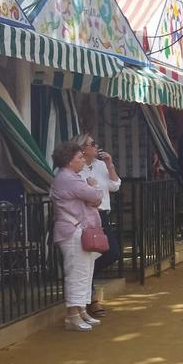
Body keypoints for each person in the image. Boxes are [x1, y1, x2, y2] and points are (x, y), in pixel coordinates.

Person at [49, 141, 104, 333]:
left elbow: (94, 199)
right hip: (72, 231)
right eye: (79, 157)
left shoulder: (70, 177)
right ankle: (72, 314)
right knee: (77, 273)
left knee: (85, 272)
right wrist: (95, 186)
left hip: (79, 230)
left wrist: (93, 194)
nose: (82, 160)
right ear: (69, 161)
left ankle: (80, 310)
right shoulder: (69, 178)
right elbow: (94, 196)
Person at [75, 132, 121, 320]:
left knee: (112, 252)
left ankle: (88, 286)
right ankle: (92, 298)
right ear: (83, 149)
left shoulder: (100, 165)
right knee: (91, 255)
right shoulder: (77, 168)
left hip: (101, 214)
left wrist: (110, 164)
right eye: (92, 143)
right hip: (87, 215)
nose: (96, 146)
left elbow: (115, 185)